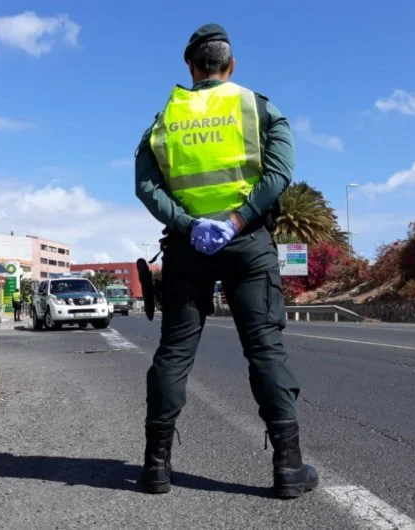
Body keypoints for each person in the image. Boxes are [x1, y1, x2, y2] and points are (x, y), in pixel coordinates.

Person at [134, 23, 318, 499]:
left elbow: (146, 186)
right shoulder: (258, 108)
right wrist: (236, 222)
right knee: (264, 352)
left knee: (173, 354)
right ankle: (288, 467)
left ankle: (156, 467)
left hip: (186, 249)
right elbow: (279, 174)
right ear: (230, 65)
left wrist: (188, 224)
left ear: (191, 68)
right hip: (248, 244)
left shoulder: (164, 120)